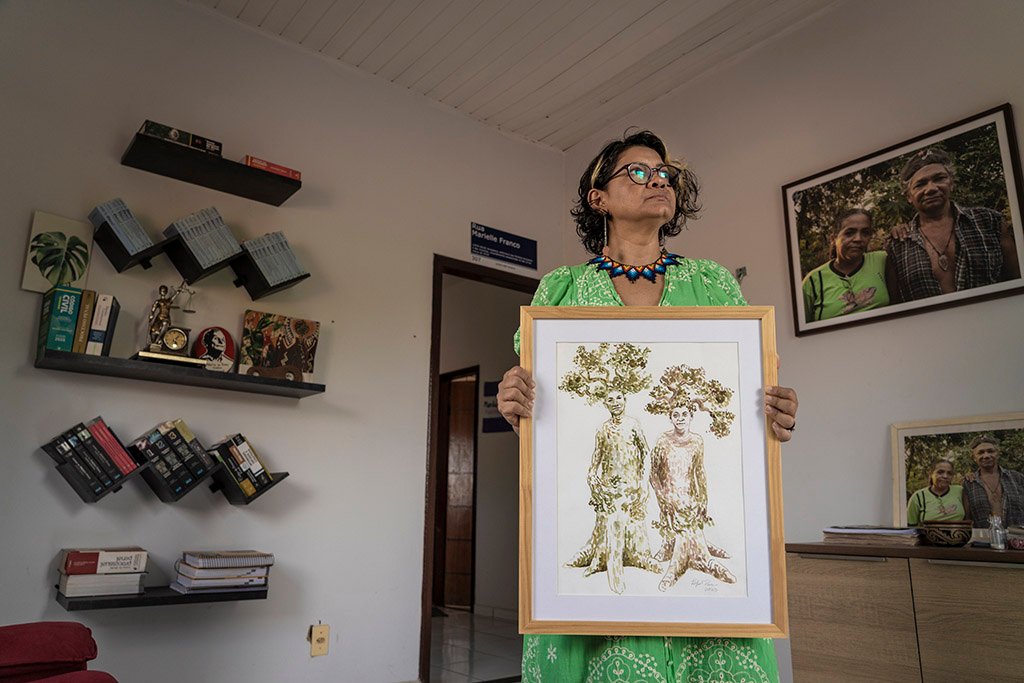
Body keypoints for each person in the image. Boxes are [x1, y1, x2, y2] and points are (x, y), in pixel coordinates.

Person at [497, 130, 798, 682]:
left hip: (712, 604)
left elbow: (747, 405)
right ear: (598, 198)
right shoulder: (559, 292)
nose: (658, 179)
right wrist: (515, 403)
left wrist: (774, 412)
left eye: (665, 173)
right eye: (637, 171)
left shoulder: (713, 285)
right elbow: (549, 426)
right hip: (591, 571)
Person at [885, 148, 1020, 302]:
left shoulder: (989, 221)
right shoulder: (897, 244)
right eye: (920, 184)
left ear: (951, 183)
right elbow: (895, 303)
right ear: (909, 196)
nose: (931, 188)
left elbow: (1017, 279)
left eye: (939, 178)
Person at [565, 387, 661, 595]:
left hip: (631, 486)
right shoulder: (603, 429)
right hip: (610, 486)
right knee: (609, 523)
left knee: (633, 522)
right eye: (610, 399)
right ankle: (602, 559)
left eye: (619, 397)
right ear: (605, 404)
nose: (615, 402)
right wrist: (591, 474)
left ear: (625, 399)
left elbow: (646, 453)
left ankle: (639, 556)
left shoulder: (633, 424)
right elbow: (597, 455)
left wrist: (644, 482)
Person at [648, 404, 735, 590]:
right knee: (678, 521)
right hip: (670, 496)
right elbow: (653, 473)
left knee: (691, 518)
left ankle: (702, 552)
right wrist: (663, 497)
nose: (680, 418)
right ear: (670, 418)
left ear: (691, 417)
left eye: (684, 414)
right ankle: (674, 559)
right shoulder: (663, 440)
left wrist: (703, 498)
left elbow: (699, 471)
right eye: (675, 415)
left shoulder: (697, 441)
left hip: (690, 496)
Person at [802, 208, 889, 322]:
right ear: (833, 238)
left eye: (865, 233)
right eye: (849, 233)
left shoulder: (882, 260)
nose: (858, 239)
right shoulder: (813, 281)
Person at [962, 434, 1024, 528]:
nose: (986, 455)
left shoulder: (1017, 478)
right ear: (974, 457)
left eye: (990, 451)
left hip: (1018, 539)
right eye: (981, 452)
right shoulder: (969, 483)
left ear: (997, 453)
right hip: (983, 540)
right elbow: (967, 518)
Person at [906, 458, 965, 526]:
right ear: (931, 474)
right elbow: (911, 527)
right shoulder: (918, 497)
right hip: (928, 536)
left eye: (949, 473)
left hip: (958, 535)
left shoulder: (960, 491)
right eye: (940, 472)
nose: (945, 476)